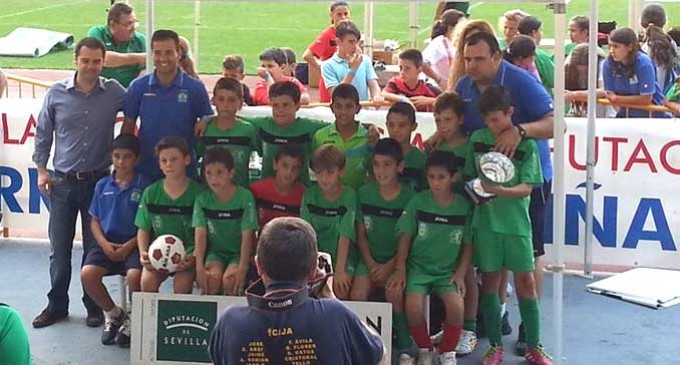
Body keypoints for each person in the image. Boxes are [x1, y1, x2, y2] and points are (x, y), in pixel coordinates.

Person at [454, 32, 554, 355]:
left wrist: (520, 131)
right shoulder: (463, 86)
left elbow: (557, 123)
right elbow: (457, 128)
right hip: (486, 197)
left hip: (528, 185)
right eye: (468, 59)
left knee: (532, 255)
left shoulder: (521, 81)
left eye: (479, 59)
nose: (472, 65)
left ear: (497, 57)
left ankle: (530, 332)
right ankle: (496, 327)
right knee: (491, 269)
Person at [32, 37, 126, 329]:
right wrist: (41, 170)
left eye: (96, 61)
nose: (91, 66)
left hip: (97, 184)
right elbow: (43, 133)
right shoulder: (56, 93)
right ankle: (57, 305)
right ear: (75, 60)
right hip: (61, 183)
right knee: (59, 250)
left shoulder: (114, 92)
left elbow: (140, 101)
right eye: (85, 61)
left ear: (103, 61)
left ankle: (93, 307)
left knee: (91, 250)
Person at [207, 217, 387, 365]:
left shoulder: (229, 323)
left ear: (259, 266)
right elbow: (380, 357)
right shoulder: (336, 314)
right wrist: (330, 297)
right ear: (313, 269)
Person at [388, 151, 473, 365]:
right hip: (418, 269)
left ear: (453, 177)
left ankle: (446, 352)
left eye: (441, 177)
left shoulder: (463, 206)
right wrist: (401, 268)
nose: (435, 182)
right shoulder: (418, 201)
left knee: (457, 308)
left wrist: (461, 274)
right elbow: (405, 236)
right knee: (413, 307)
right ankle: (425, 349)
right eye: (431, 177)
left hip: (447, 272)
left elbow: (469, 244)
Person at [80, 134, 150, 347]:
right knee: (87, 275)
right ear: (111, 157)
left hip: (134, 244)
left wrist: (129, 246)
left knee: (134, 276)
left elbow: (147, 225)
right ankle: (113, 313)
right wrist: (104, 244)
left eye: (127, 157)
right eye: (117, 156)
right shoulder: (102, 185)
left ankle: (132, 316)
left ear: (137, 159)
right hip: (107, 243)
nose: (121, 162)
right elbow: (94, 221)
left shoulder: (146, 185)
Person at [351, 138, 416, 362]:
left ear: (400, 166)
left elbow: (408, 238)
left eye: (387, 164)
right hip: (369, 259)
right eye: (377, 164)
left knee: (394, 293)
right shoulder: (363, 193)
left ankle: (406, 346)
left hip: (397, 261)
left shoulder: (409, 197)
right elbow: (360, 234)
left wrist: (392, 266)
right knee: (357, 294)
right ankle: (363, 345)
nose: (381, 170)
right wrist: (370, 264)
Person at [122, 29, 213, 180]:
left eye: (169, 52)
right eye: (157, 52)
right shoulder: (138, 87)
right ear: (151, 54)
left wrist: (205, 119)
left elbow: (208, 115)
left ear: (179, 53)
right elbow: (128, 125)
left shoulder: (194, 88)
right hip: (147, 169)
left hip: (183, 173)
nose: (163, 58)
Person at [136, 137, 205, 294]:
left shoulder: (199, 194)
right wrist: (144, 253)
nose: (169, 164)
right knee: (147, 283)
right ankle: (150, 319)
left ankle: (181, 318)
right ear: (159, 164)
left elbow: (202, 233)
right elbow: (143, 228)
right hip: (159, 254)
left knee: (182, 285)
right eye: (164, 160)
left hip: (187, 255)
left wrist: (193, 257)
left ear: (187, 160)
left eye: (174, 159)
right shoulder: (151, 193)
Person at [194, 148, 258, 296]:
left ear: (231, 173)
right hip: (215, 253)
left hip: (237, 253)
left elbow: (248, 234)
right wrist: (199, 268)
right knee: (211, 280)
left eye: (219, 173)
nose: (213, 179)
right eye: (209, 173)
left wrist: (242, 267)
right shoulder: (202, 199)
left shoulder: (244, 197)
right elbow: (200, 235)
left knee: (230, 280)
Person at [301, 144, 358, 300]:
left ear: (341, 172)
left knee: (339, 289)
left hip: (342, 258)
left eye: (330, 173)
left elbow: (345, 235)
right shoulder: (309, 195)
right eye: (319, 173)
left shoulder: (349, 196)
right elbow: (306, 234)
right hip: (315, 256)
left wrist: (339, 270)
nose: (324, 179)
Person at [245, 80, 327, 185]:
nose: (280, 110)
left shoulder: (309, 127)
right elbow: (235, 120)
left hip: (299, 191)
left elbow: (334, 127)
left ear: (297, 106)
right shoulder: (262, 125)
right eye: (276, 105)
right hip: (266, 192)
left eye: (285, 105)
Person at [196, 77, 259, 187]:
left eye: (231, 100)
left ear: (240, 103)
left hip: (239, 195)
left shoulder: (248, 130)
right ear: (213, 101)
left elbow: (262, 152)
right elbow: (197, 155)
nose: (226, 104)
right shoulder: (205, 130)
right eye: (221, 99)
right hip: (209, 195)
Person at [312, 84, 371, 190]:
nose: (343, 112)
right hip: (328, 198)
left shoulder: (369, 137)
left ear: (358, 108)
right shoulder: (320, 136)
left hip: (358, 198)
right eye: (338, 106)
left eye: (348, 106)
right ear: (332, 108)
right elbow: (315, 168)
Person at [602, 28, 671, 118]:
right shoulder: (608, 64)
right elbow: (609, 93)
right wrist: (614, 98)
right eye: (609, 46)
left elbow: (646, 98)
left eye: (616, 46)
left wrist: (617, 99)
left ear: (630, 47)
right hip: (626, 114)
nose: (611, 51)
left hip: (653, 115)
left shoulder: (644, 63)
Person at [321, 20, 383, 103]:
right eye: (351, 42)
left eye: (356, 42)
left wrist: (376, 95)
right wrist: (352, 70)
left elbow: (373, 83)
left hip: (363, 111)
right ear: (338, 42)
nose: (355, 46)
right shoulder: (327, 66)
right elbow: (335, 94)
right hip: (341, 113)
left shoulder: (365, 60)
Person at [87, 2, 145, 87]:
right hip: (99, 90)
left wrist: (134, 88)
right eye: (128, 24)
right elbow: (102, 58)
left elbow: (146, 70)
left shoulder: (140, 40)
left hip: (130, 91)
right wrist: (140, 58)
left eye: (134, 22)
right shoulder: (97, 33)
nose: (133, 28)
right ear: (113, 25)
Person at [302, 1, 351, 102]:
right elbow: (307, 55)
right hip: (330, 80)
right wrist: (322, 68)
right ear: (331, 15)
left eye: (346, 14)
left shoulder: (351, 32)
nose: (343, 17)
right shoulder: (327, 34)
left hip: (347, 76)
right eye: (339, 14)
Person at [250, 145, 306, 228]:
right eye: (285, 166)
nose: (289, 172)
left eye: (295, 168)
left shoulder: (304, 196)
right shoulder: (256, 190)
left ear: (300, 170)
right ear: (275, 164)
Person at [564, 43, 614, 118]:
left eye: (586, 70)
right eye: (579, 71)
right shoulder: (569, 67)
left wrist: (574, 95)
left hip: (602, 112)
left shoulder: (603, 64)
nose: (583, 72)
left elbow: (605, 90)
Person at [386, 102, 427, 191]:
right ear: (386, 125)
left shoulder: (422, 160)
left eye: (402, 125)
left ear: (413, 126)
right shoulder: (379, 156)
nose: (395, 130)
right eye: (391, 125)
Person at [640, 3, 679, 94]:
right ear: (664, 22)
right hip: (667, 95)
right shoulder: (669, 42)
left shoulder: (647, 46)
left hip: (656, 97)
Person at [423, 9, 466, 89]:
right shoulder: (439, 42)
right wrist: (439, 80)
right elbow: (422, 62)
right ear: (450, 28)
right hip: (439, 90)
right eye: (461, 26)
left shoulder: (461, 43)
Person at [447, 19, 495, 91]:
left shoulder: (512, 78)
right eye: (468, 41)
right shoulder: (461, 83)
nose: (472, 65)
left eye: (479, 59)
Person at [518, 16, 555, 95]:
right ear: (534, 33)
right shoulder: (539, 55)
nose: (542, 34)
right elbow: (554, 79)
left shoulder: (513, 50)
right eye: (540, 30)